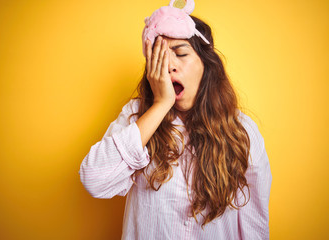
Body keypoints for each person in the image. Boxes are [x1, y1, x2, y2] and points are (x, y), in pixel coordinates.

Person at [79, 0, 272, 239]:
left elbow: (255, 224)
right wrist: (160, 105)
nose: (169, 65)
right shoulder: (137, 117)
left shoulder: (241, 130)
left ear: (206, 65)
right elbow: (94, 180)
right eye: (159, 58)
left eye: (180, 53)